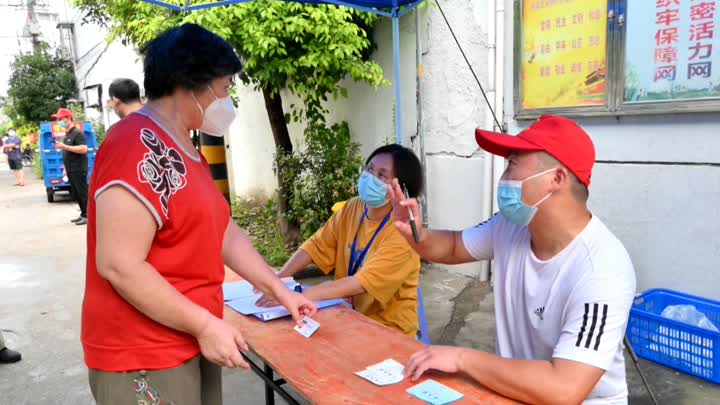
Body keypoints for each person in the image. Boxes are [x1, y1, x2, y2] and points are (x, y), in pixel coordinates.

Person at [81, 23, 316, 405]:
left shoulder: (188, 151)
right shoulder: (133, 145)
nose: (226, 100)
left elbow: (222, 232)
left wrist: (278, 289)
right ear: (191, 84)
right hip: (144, 350)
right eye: (223, 88)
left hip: (188, 334)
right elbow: (119, 264)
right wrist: (205, 324)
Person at [392, 115, 636, 404]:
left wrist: (460, 358)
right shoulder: (511, 226)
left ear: (556, 179)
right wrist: (417, 234)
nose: (502, 179)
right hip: (516, 393)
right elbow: (454, 247)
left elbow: (565, 389)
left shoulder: (603, 270)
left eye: (512, 164)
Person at [257, 144, 424, 338]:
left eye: (381, 175)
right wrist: (279, 279)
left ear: (401, 189)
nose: (370, 177)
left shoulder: (403, 232)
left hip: (389, 332)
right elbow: (316, 246)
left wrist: (297, 297)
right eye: (369, 169)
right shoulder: (353, 207)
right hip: (348, 316)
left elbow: (360, 283)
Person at [51, 108, 89, 225]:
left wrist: (65, 147)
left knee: (82, 193)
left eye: (60, 119)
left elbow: (83, 149)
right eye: (57, 119)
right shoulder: (68, 134)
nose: (58, 122)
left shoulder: (77, 133)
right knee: (76, 193)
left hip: (78, 168)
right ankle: (83, 214)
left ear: (68, 118)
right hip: (71, 169)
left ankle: (88, 215)